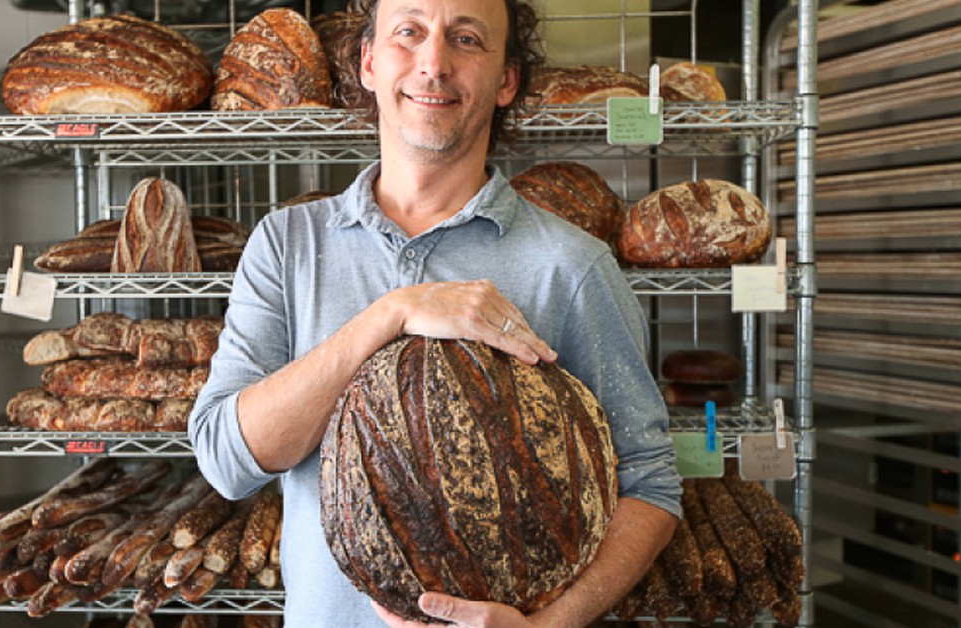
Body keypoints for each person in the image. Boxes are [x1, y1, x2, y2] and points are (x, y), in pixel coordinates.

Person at [189, 0, 682, 625]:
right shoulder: (288, 245)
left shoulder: (571, 265)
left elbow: (650, 486)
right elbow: (227, 461)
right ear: (369, 62)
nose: (434, 63)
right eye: (409, 32)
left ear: (506, 80)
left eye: (467, 39)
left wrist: (549, 627)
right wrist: (393, 314)